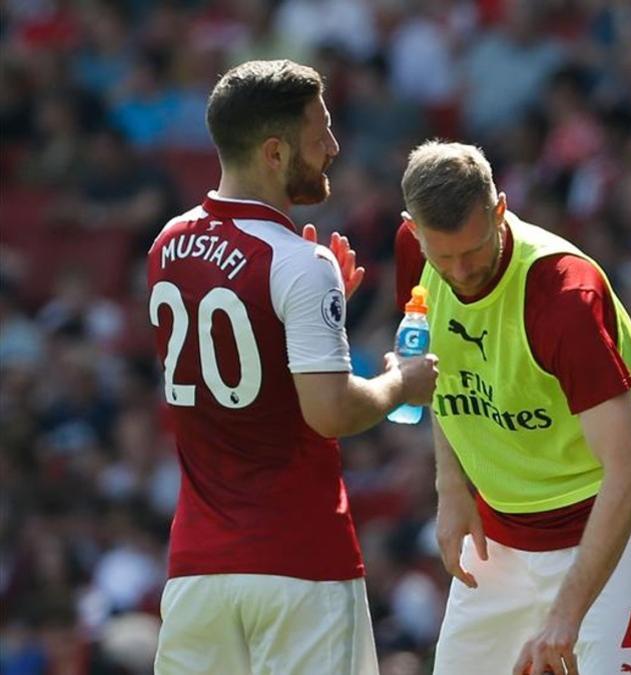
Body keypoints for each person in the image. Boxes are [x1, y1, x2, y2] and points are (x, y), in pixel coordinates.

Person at [147, 60, 439, 675]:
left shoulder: (166, 245)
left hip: (197, 573)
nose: (333, 148)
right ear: (276, 152)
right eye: (320, 134)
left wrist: (321, 317)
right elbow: (330, 413)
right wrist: (400, 383)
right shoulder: (300, 262)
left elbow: (239, 354)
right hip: (298, 565)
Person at [393, 141, 631, 675]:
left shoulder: (563, 296)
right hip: (501, 535)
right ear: (413, 228)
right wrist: (450, 487)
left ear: (500, 209)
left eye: (472, 250)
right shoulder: (415, 253)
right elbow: (443, 372)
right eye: (442, 255)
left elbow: (630, 472)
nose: (459, 271)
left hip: (607, 531)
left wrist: (567, 612)